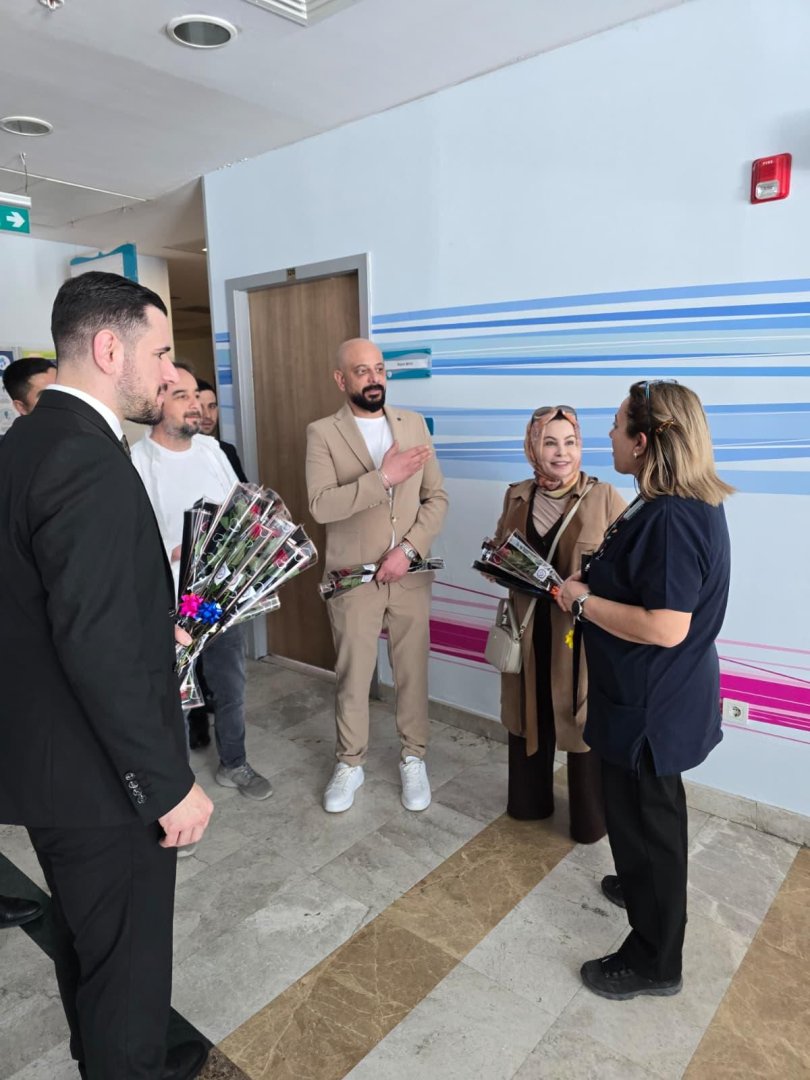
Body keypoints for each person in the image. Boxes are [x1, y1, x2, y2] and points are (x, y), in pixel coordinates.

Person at [0, 271, 213, 1079]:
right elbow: (94, 645)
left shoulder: (27, 443)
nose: (171, 373)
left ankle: (106, 1055)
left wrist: (151, 617)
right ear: (108, 348)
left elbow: (51, 605)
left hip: (50, 766)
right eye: (161, 353)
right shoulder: (83, 458)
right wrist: (165, 785)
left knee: (91, 943)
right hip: (99, 782)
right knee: (127, 965)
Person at [557, 379, 732, 1001]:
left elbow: (666, 626)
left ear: (644, 441)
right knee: (646, 819)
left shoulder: (671, 519)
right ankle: (642, 884)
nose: (608, 435)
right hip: (651, 695)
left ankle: (655, 961)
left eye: (616, 425)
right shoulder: (669, 502)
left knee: (646, 823)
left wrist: (582, 601)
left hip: (651, 709)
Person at [306, 338, 448, 814]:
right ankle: (350, 762)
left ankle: (414, 756)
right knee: (353, 674)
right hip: (352, 578)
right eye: (362, 371)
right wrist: (383, 478)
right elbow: (322, 505)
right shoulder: (322, 433)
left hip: (409, 573)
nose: (374, 379)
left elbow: (436, 497)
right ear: (341, 379)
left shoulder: (413, 425)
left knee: (412, 671)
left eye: (380, 369)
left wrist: (408, 550)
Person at [131, 365, 272, 802]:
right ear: (158, 401)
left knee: (230, 684)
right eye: (182, 396)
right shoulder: (136, 462)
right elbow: (129, 540)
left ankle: (234, 762)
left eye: (196, 395)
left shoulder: (212, 450)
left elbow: (239, 509)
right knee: (173, 696)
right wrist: (177, 549)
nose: (195, 405)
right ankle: (176, 788)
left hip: (220, 594)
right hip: (170, 603)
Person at [491, 406, 625, 843]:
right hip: (529, 628)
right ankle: (529, 803)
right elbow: (502, 551)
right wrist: (498, 565)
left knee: (581, 720)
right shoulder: (516, 496)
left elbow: (628, 568)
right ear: (533, 446)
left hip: (579, 636)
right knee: (528, 712)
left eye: (570, 442)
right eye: (550, 442)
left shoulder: (604, 497)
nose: (561, 452)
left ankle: (590, 820)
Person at [196, 377, 248, 482]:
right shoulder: (180, 455)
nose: (207, 415)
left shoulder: (228, 451)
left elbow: (243, 490)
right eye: (200, 407)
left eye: (212, 406)